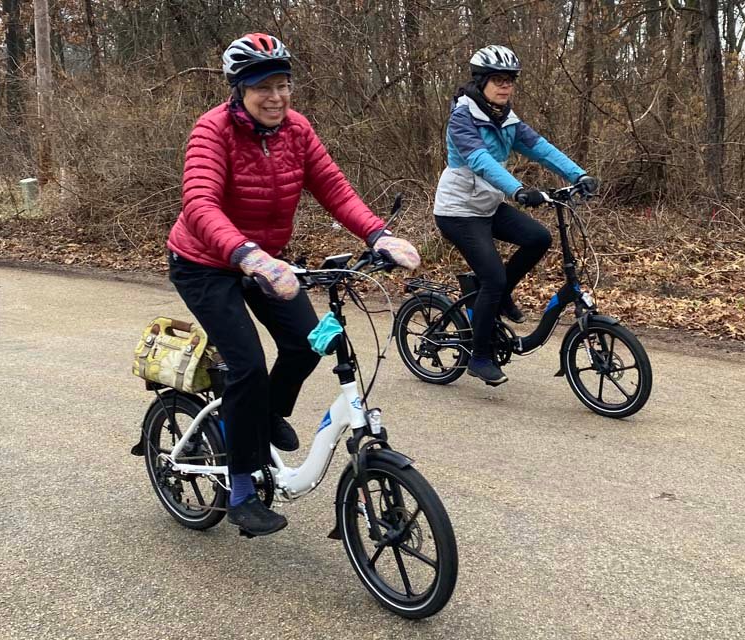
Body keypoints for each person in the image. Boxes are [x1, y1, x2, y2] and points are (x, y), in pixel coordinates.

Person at [166, 33, 420, 537]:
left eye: (283, 85)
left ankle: (261, 419)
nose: (277, 97)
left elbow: (334, 189)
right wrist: (247, 254)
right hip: (205, 263)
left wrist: (379, 235)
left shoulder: (297, 130)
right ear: (240, 89)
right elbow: (199, 204)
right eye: (263, 87)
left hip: (267, 263)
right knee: (247, 365)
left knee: (308, 343)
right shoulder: (212, 131)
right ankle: (241, 489)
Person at [433, 45, 598, 387]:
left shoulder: (506, 119)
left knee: (538, 238)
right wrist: (518, 190)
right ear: (480, 82)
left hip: (487, 206)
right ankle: (479, 357)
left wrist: (578, 174)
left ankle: (498, 295)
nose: (505, 86)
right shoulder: (462, 118)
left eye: (510, 80)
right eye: (498, 79)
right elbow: (479, 160)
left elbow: (541, 148)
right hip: (458, 212)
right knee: (493, 278)